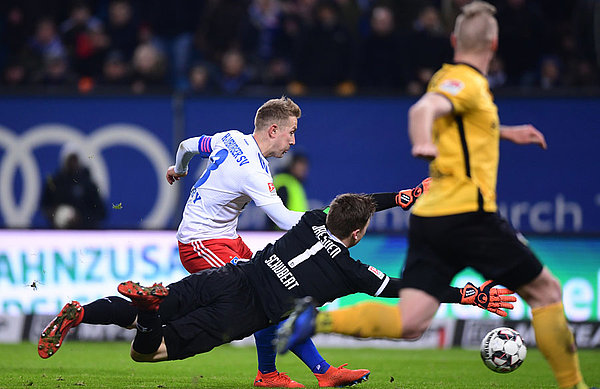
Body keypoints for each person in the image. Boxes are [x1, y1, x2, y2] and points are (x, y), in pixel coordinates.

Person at [277, 3, 591, 389]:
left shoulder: (446, 76)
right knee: (547, 292)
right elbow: (424, 109)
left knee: (411, 323)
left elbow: (460, 121)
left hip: (432, 220)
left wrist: (505, 132)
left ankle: (317, 320)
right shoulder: (465, 81)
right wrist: (422, 140)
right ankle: (573, 385)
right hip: (469, 215)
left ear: (455, 40)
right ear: (493, 44)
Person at [38, 193, 516, 388]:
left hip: (232, 275)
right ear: (357, 234)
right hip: (246, 312)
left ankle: (84, 313)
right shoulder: (355, 272)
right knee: (148, 353)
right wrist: (469, 295)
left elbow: (360, 202)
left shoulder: (311, 221)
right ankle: (149, 314)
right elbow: (413, 288)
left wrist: (401, 197)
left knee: (145, 304)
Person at [164, 96, 366, 388]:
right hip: (200, 242)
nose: (293, 141)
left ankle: (298, 373)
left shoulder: (230, 138)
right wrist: (333, 223)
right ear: (273, 130)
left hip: (227, 240)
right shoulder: (254, 172)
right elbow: (284, 220)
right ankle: (298, 373)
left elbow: (186, 146)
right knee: (265, 295)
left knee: (275, 293)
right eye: (292, 131)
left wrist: (179, 169)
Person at [41, 142, 106, 229]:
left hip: (84, 233)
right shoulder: (54, 183)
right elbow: (45, 207)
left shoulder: (88, 184)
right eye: (70, 159)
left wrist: (81, 219)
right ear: (64, 161)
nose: (73, 163)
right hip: (59, 234)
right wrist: (56, 214)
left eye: (75, 159)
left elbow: (101, 212)